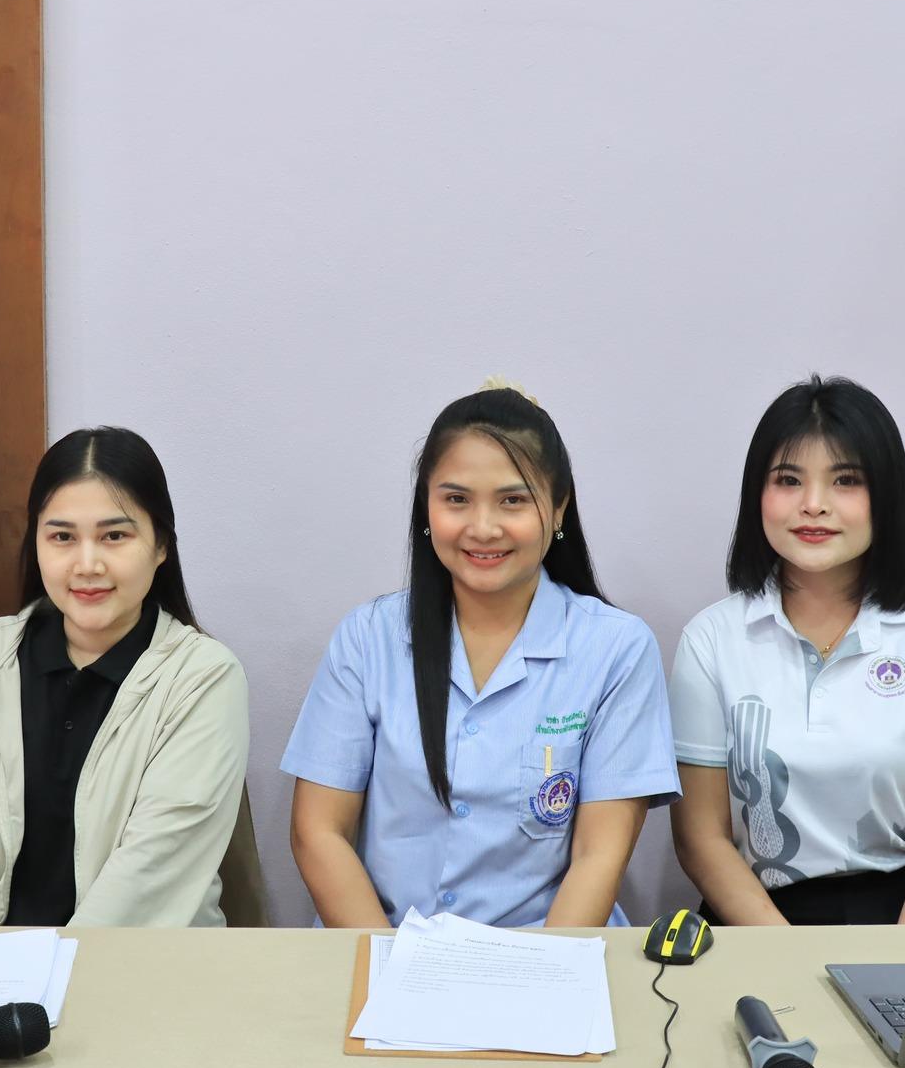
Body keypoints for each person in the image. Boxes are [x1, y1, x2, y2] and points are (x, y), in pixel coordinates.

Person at [283, 381, 680, 929]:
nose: (483, 528)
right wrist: (395, 967)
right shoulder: (367, 638)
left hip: (545, 949)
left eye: (513, 500)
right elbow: (318, 832)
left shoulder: (616, 649)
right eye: (456, 499)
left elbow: (600, 855)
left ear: (558, 508)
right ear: (426, 507)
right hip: (387, 945)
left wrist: (534, 971)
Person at [668, 375, 905, 926]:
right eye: (788, 480)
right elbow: (701, 839)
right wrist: (788, 956)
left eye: (845, 480)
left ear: (886, 497)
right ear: (757, 495)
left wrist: (893, 963)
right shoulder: (710, 639)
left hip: (901, 917)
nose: (813, 505)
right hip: (753, 922)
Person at [0, 426, 263, 927]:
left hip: (135, 963)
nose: (87, 564)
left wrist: (54, 974)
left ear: (161, 545)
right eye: (62, 537)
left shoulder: (203, 678)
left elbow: (148, 877)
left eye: (115, 536)